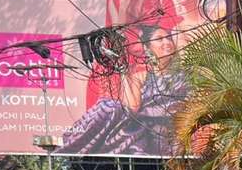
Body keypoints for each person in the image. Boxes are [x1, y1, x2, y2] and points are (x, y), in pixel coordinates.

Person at [59, 25, 187, 156]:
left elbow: (181, 33)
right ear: (147, 47)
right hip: (143, 132)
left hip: (174, 132)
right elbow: (131, 107)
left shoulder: (186, 73)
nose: (166, 43)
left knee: (110, 107)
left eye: (169, 38)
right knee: (108, 106)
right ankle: (71, 146)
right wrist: (123, 72)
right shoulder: (142, 76)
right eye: (159, 39)